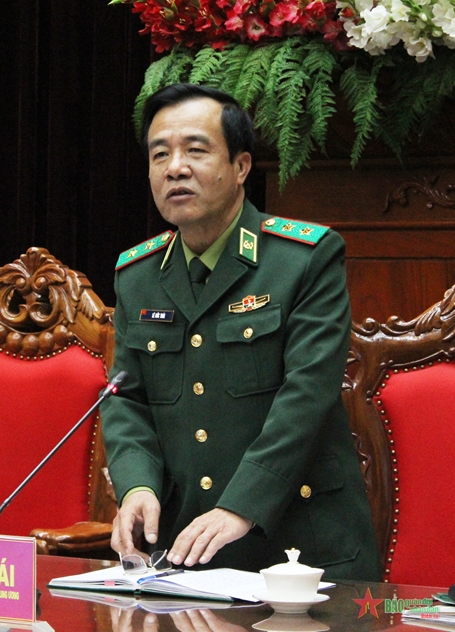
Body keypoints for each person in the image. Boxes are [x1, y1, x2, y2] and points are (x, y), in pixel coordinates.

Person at [102, 83, 380, 579]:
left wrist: (242, 505)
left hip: (304, 553)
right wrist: (137, 487)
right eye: (160, 154)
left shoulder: (303, 259)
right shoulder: (138, 275)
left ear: (241, 167)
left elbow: (308, 396)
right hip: (186, 558)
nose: (175, 168)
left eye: (195, 150)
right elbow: (126, 398)